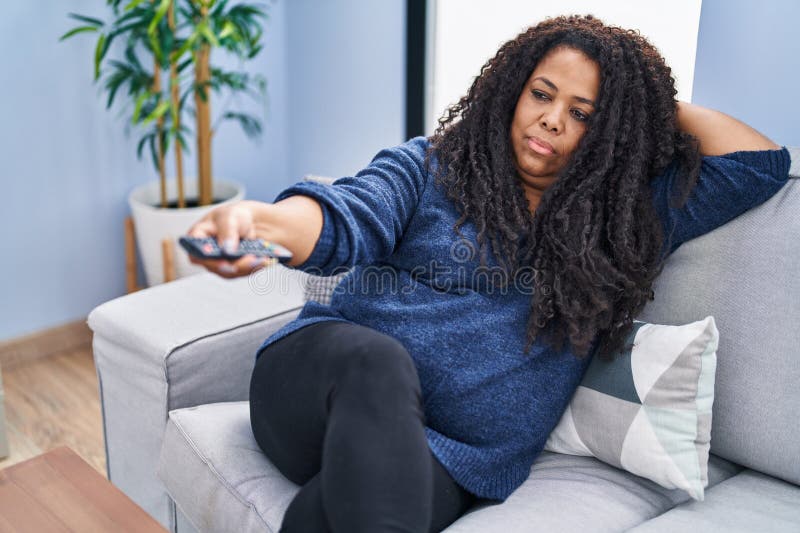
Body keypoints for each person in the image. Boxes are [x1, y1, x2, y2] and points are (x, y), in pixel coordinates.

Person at [187, 14, 791, 533]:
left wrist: (638, 100)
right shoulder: (431, 167)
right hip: (312, 389)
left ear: (611, 132)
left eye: (583, 112)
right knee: (377, 362)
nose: (553, 119)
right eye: (542, 94)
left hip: (450, 459)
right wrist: (262, 224)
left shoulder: (628, 219)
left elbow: (760, 163)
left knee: (337, 512)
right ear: (511, 90)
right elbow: (347, 215)